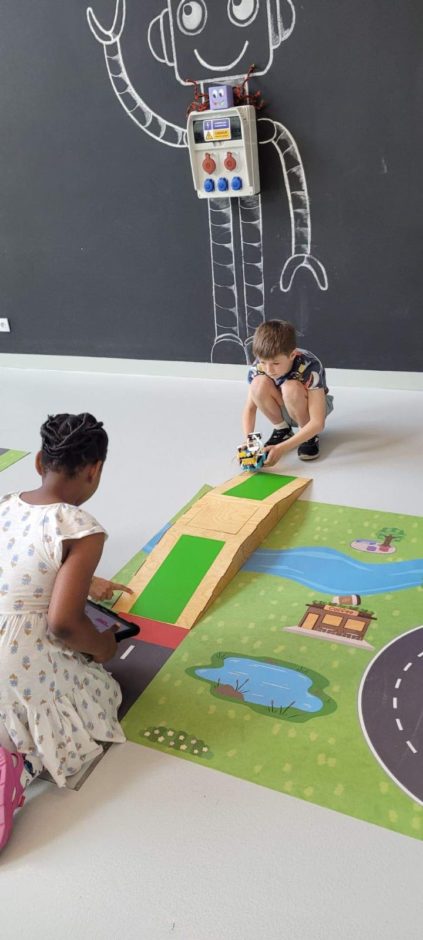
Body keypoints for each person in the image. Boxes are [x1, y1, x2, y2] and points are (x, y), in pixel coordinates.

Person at [0, 413, 132, 853]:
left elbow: (23, 564)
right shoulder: (81, 528)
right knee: (103, 691)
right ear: (95, 470)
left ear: (39, 461)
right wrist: (104, 647)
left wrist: (82, 580)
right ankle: (22, 765)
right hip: (15, 664)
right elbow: (62, 624)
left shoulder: (5, 503)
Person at [242, 320, 333, 464]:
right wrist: (250, 444)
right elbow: (250, 409)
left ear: (292, 355)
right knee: (257, 384)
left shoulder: (310, 365)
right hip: (283, 404)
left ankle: (308, 435)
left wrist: (281, 449)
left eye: (276, 363)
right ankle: (282, 430)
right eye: (263, 362)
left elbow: (318, 423)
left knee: (290, 387)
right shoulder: (260, 366)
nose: (269, 370)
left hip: (312, 408)